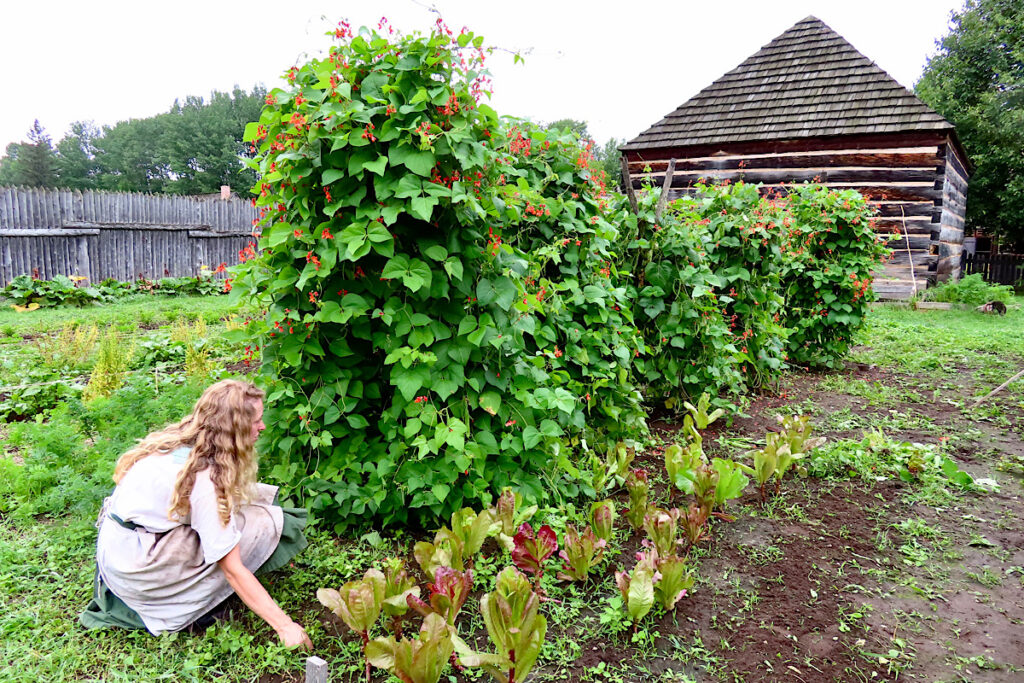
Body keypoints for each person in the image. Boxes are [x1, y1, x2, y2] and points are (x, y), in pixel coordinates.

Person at [80, 379, 312, 648]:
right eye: (256, 421)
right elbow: (233, 569)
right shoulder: (205, 481)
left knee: (248, 498)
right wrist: (286, 626)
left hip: (119, 551)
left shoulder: (178, 441)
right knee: (260, 524)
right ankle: (184, 605)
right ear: (234, 429)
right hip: (140, 571)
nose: (262, 426)